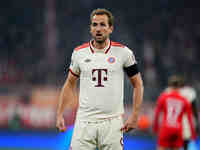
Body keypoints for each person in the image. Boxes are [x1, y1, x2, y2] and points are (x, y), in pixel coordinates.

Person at [56, 8, 144, 150]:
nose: (98, 28)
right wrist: (59, 113)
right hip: (85, 122)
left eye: (103, 25)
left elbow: (138, 84)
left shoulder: (123, 53)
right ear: (90, 28)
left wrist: (135, 115)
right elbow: (69, 84)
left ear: (110, 29)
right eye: (94, 24)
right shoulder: (79, 53)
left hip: (112, 123)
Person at [153, 75, 197, 150]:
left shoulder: (164, 97)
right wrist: (193, 133)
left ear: (170, 86)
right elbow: (190, 117)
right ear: (179, 87)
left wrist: (155, 127)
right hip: (178, 129)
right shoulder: (184, 100)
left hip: (166, 127)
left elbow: (157, 113)